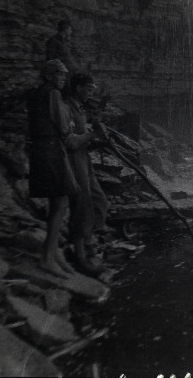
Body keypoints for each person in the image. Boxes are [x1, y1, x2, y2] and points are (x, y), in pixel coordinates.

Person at [27, 59, 80, 278]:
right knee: (61, 201)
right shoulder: (53, 94)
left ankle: (53, 251)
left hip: (40, 148)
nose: (63, 78)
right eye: (60, 74)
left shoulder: (36, 93)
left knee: (55, 201)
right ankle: (47, 258)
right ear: (49, 75)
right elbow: (63, 126)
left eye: (65, 74)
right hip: (51, 150)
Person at [64, 73, 112, 276]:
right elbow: (70, 141)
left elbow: (83, 138)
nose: (91, 93)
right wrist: (92, 135)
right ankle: (81, 255)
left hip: (84, 159)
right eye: (89, 89)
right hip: (73, 161)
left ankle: (90, 239)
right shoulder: (66, 108)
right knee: (82, 206)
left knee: (99, 201)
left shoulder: (81, 108)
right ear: (78, 88)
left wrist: (96, 139)